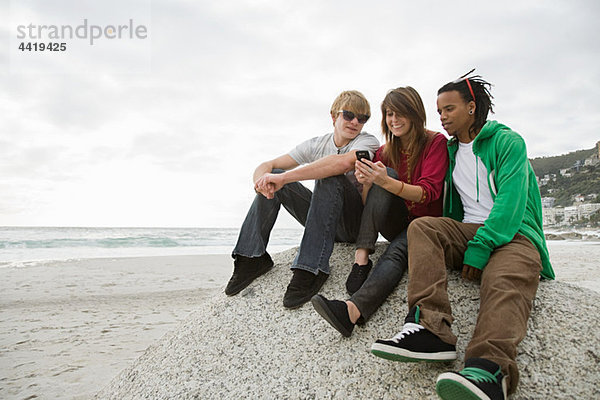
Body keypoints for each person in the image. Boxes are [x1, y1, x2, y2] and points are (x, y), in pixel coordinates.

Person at [370, 72, 555, 400]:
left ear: (472, 108)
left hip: (514, 235)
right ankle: (430, 331)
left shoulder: (507, 142)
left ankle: (489, 369)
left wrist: (482, 247)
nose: (441, 116)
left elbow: (511, 204)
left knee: (503, 281)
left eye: (449, 109)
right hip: (466, 232)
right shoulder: (450, 150)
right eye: (439, 110)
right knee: (423, 227)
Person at [310, 86, 448, 337]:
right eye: (389, 114)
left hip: (425, 224)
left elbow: (429, 192)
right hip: (394, 220)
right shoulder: (384, 152)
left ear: (415, 113)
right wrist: (368, 184)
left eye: (400, 114)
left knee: (396, 252)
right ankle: (361, 259)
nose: (394, 121)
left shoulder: (435, 142)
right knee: (385, 173)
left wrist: (385, 182)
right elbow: (370, 204)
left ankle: (351, 311)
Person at [226, 90, 380, 309]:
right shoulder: (317, 144)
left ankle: (311, 269)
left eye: (362, 118)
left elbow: (342, 163)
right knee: (276, 173)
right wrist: (262, 182)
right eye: (349, 115)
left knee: (328, 174)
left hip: (354, 225)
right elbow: (268, 165)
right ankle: (251, 258)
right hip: (325, 219)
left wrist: (283, 178)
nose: (356, 122)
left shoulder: (367, 142)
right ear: (333, 116)